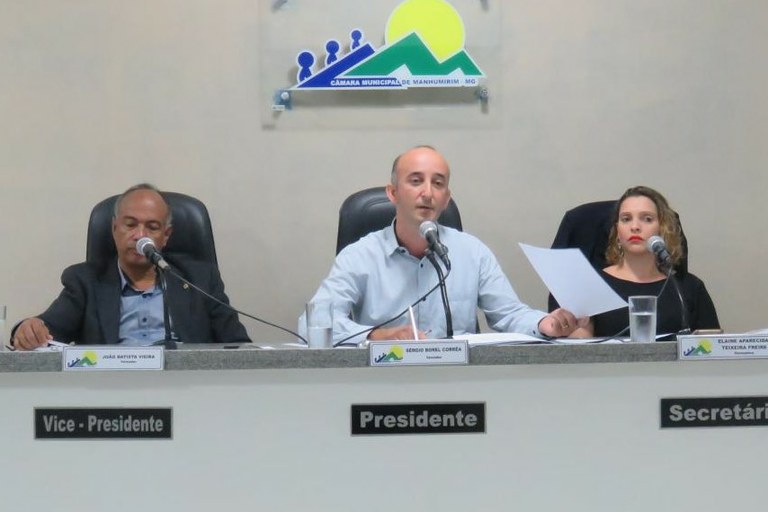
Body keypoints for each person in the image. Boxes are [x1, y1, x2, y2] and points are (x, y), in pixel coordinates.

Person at [301, 145, 582, 345]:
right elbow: (312, 324)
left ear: (446, 198)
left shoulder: (472, 252)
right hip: (382, 381)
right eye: (415, 181)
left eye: (438, 184)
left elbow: (509, 314)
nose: (427, 193)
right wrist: (377, 335)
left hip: (460, 385)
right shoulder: (360, 256)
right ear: (393, 193)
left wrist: (544, 323)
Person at [11, 184, 250, 350]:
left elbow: (239, 346)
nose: (140, 235)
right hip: (112, 394)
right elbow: (47, 331)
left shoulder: (200, 279)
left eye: (152, 227)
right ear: (114, 228)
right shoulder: (86, 281)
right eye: (130, 224)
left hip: (187, 390)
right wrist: (27, 329)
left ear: (166, 236)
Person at [572, 186, 719, 338]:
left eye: (647, 219)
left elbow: (711, 347)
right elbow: (579, 348)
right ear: (617, 231)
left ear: (662, 229)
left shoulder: (688, 288)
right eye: (626, 219)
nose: (635, 227)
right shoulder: (591, 284)